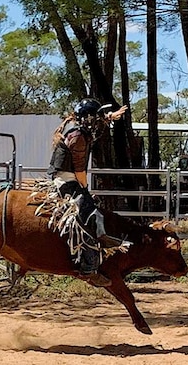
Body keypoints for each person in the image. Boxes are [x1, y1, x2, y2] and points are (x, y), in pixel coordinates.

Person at [47, 98, 128, 287]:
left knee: (91, 212)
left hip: (68, 178)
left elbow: (97, 123)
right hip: (66, 181)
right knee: (90, 217)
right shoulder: (78, 138)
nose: (98, 121)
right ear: (88, 119)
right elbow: (79, 170)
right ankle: (88, 269)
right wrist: (84, 189)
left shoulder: (79, 131)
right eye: (96, 117)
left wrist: (109, 117)